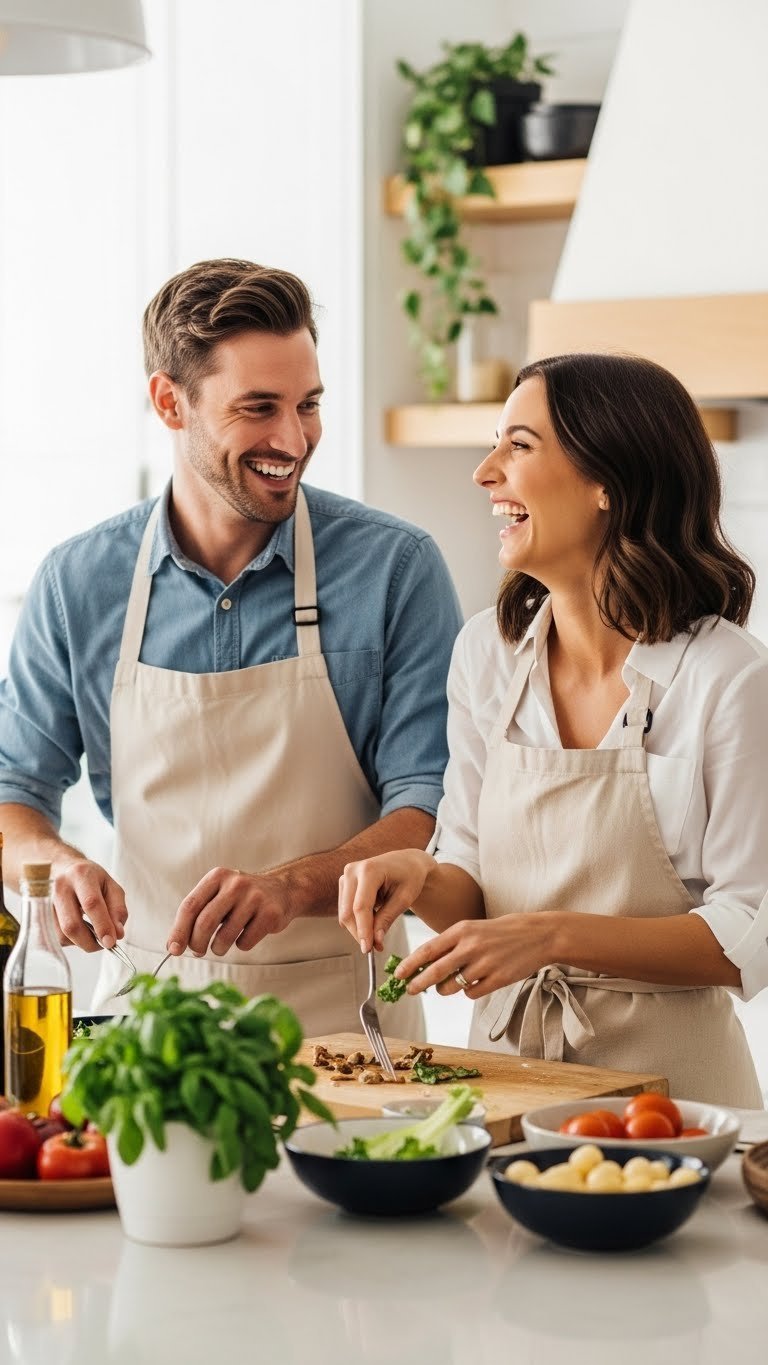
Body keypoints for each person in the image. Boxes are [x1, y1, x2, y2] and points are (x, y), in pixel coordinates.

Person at [0, 258, 463, 1035]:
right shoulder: (79, 582)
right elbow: (13, 795)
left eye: (308, 404)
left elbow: (428, 803)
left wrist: (290, 887)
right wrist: (58, 870)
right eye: (258, 408)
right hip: (149, 1029)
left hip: (347, 1024)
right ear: (169, 402)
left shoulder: (396, 570)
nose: (293, 437)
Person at [339, 352, 768, 1105]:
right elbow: (471, 883)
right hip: (507, 1084)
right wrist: (420, 875)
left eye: (519, 445)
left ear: (609, 480)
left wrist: (550, 936)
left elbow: (747, 935)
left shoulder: (726, 677)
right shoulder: (486, 654)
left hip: (679, 1107)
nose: (484, 472)